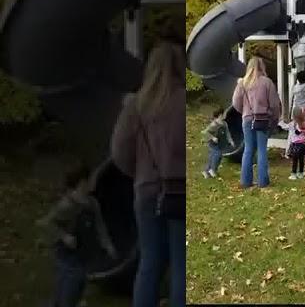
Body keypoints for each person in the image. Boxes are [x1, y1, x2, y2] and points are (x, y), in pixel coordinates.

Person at [111, 42, 186, 307]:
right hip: (179, 190)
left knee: (149, 262)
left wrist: (140, 174)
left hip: (145, 190)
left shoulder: (137, 104)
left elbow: (119, 150)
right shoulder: (182, 102)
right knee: (181, 265)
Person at [37, 163, 117, 307]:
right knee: (70, 286)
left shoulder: (92, 204)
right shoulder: (67, 205)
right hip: (67, 256)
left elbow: (100, 226)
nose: (93, 182)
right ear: (81, 182)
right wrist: (64, 236)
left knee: (77, 286)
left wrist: (107, 244)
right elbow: (47, 223)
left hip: (84, 254)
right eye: (90, 179)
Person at [232, 56, 281, 188]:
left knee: (248, 149)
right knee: (261, 150)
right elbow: (275, 105)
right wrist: (274, 119)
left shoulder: (242, 83)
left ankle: (245, 181)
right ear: (262, 67)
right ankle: (263, 182)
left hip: (247, 119)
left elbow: (235, 103)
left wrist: (245, 112)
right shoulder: (267, 82)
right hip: (263, 119)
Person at [201, 106, 235, 179]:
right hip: (213, 144)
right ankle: (212, 170)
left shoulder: (224, 123)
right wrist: (212, 137)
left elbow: (227, 133)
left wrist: (230, 140)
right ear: (220, 115)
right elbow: (205, 132)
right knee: (217, 155)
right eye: (224, 113)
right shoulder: (214, 124)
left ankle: (207, 171)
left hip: (220, 143)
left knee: (214, 157)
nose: (225, 115)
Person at [287, 106, 305, 180]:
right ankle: (301, 173)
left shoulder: (293, 124)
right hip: (304, 145)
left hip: (296, 145)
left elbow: (287, 127)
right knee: (301, 159)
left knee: (295, 160)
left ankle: (293, 173)